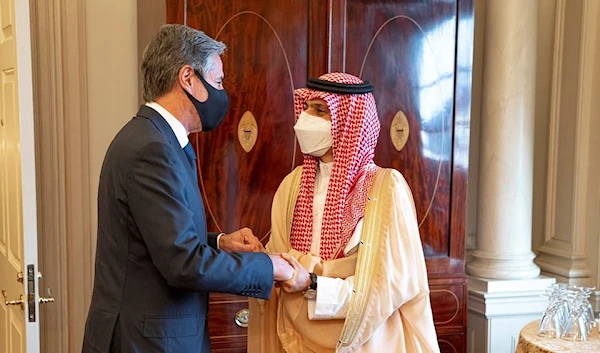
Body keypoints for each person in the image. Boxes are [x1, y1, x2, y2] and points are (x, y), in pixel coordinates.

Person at [82, 24, 293, 353]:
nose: (223, 93)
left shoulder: (156, 139)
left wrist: (221, 243)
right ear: (188, 79)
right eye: (218, 81)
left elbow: (159, 241)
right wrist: (269, 268)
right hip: (148, 342)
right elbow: (183, 263)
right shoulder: (151, 149)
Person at [248, 73, 440, 353]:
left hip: (367, 341)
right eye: (307, 108)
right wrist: (261, 263)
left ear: (350, 123)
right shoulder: (291, 186)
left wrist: (312, 283)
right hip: (294, 341)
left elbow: (385, 289)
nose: (305, 118)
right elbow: (280, 269)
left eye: (320, 110)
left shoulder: (386, 189)